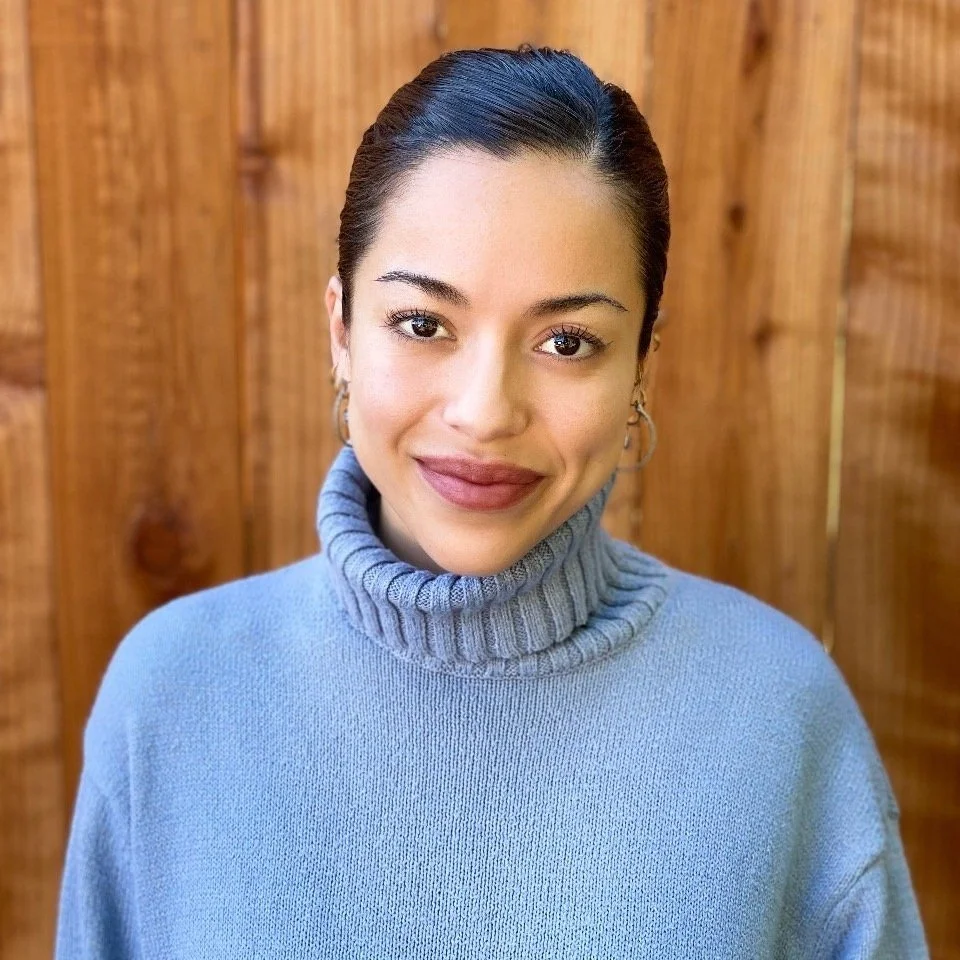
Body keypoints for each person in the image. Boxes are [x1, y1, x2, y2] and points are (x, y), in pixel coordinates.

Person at [55, 44, 929, 958]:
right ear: (342, 331)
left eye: (567, 342)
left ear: (642, 365)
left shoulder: (779, 714)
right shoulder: (172, 695)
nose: (484, 413)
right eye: (423, 323)